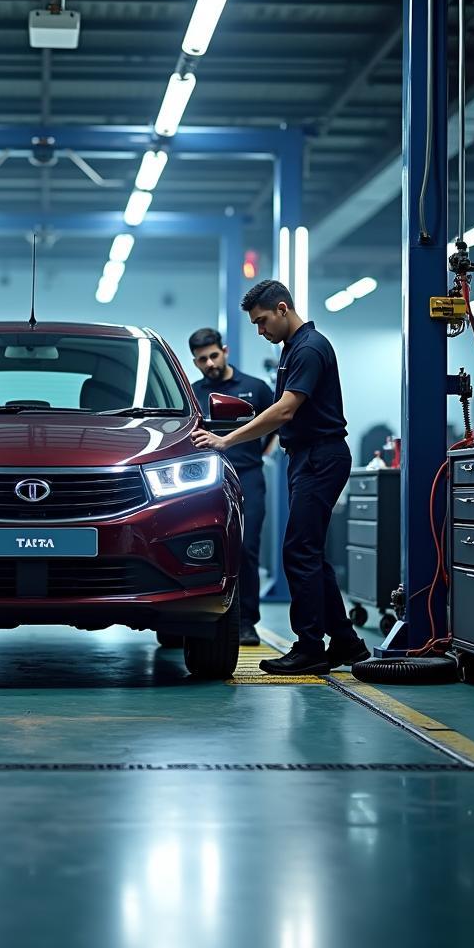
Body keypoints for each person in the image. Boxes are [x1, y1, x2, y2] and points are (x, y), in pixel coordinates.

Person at [190, 280, 369, 675]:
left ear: (283, 309)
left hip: (321, 457)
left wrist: (228, 440)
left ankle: (310, 647)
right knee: (310, 553)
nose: (260, 330)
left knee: (299, 552)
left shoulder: (309, 348)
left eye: (262, 321)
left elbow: (285, 411)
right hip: (306, 458)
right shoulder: (293, 349)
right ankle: (346, 642)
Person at [188, 326, 275, 647]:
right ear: (195, 362)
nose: (209, 363)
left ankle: (246, 622)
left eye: (213, 355)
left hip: (248, 477)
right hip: (205, 482)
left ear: (224, 351)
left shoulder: (255, 388)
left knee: (247, 549)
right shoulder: (192, 393)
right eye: (201, 360)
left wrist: (259, 453)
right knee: (205, 550)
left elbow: (276, 422)